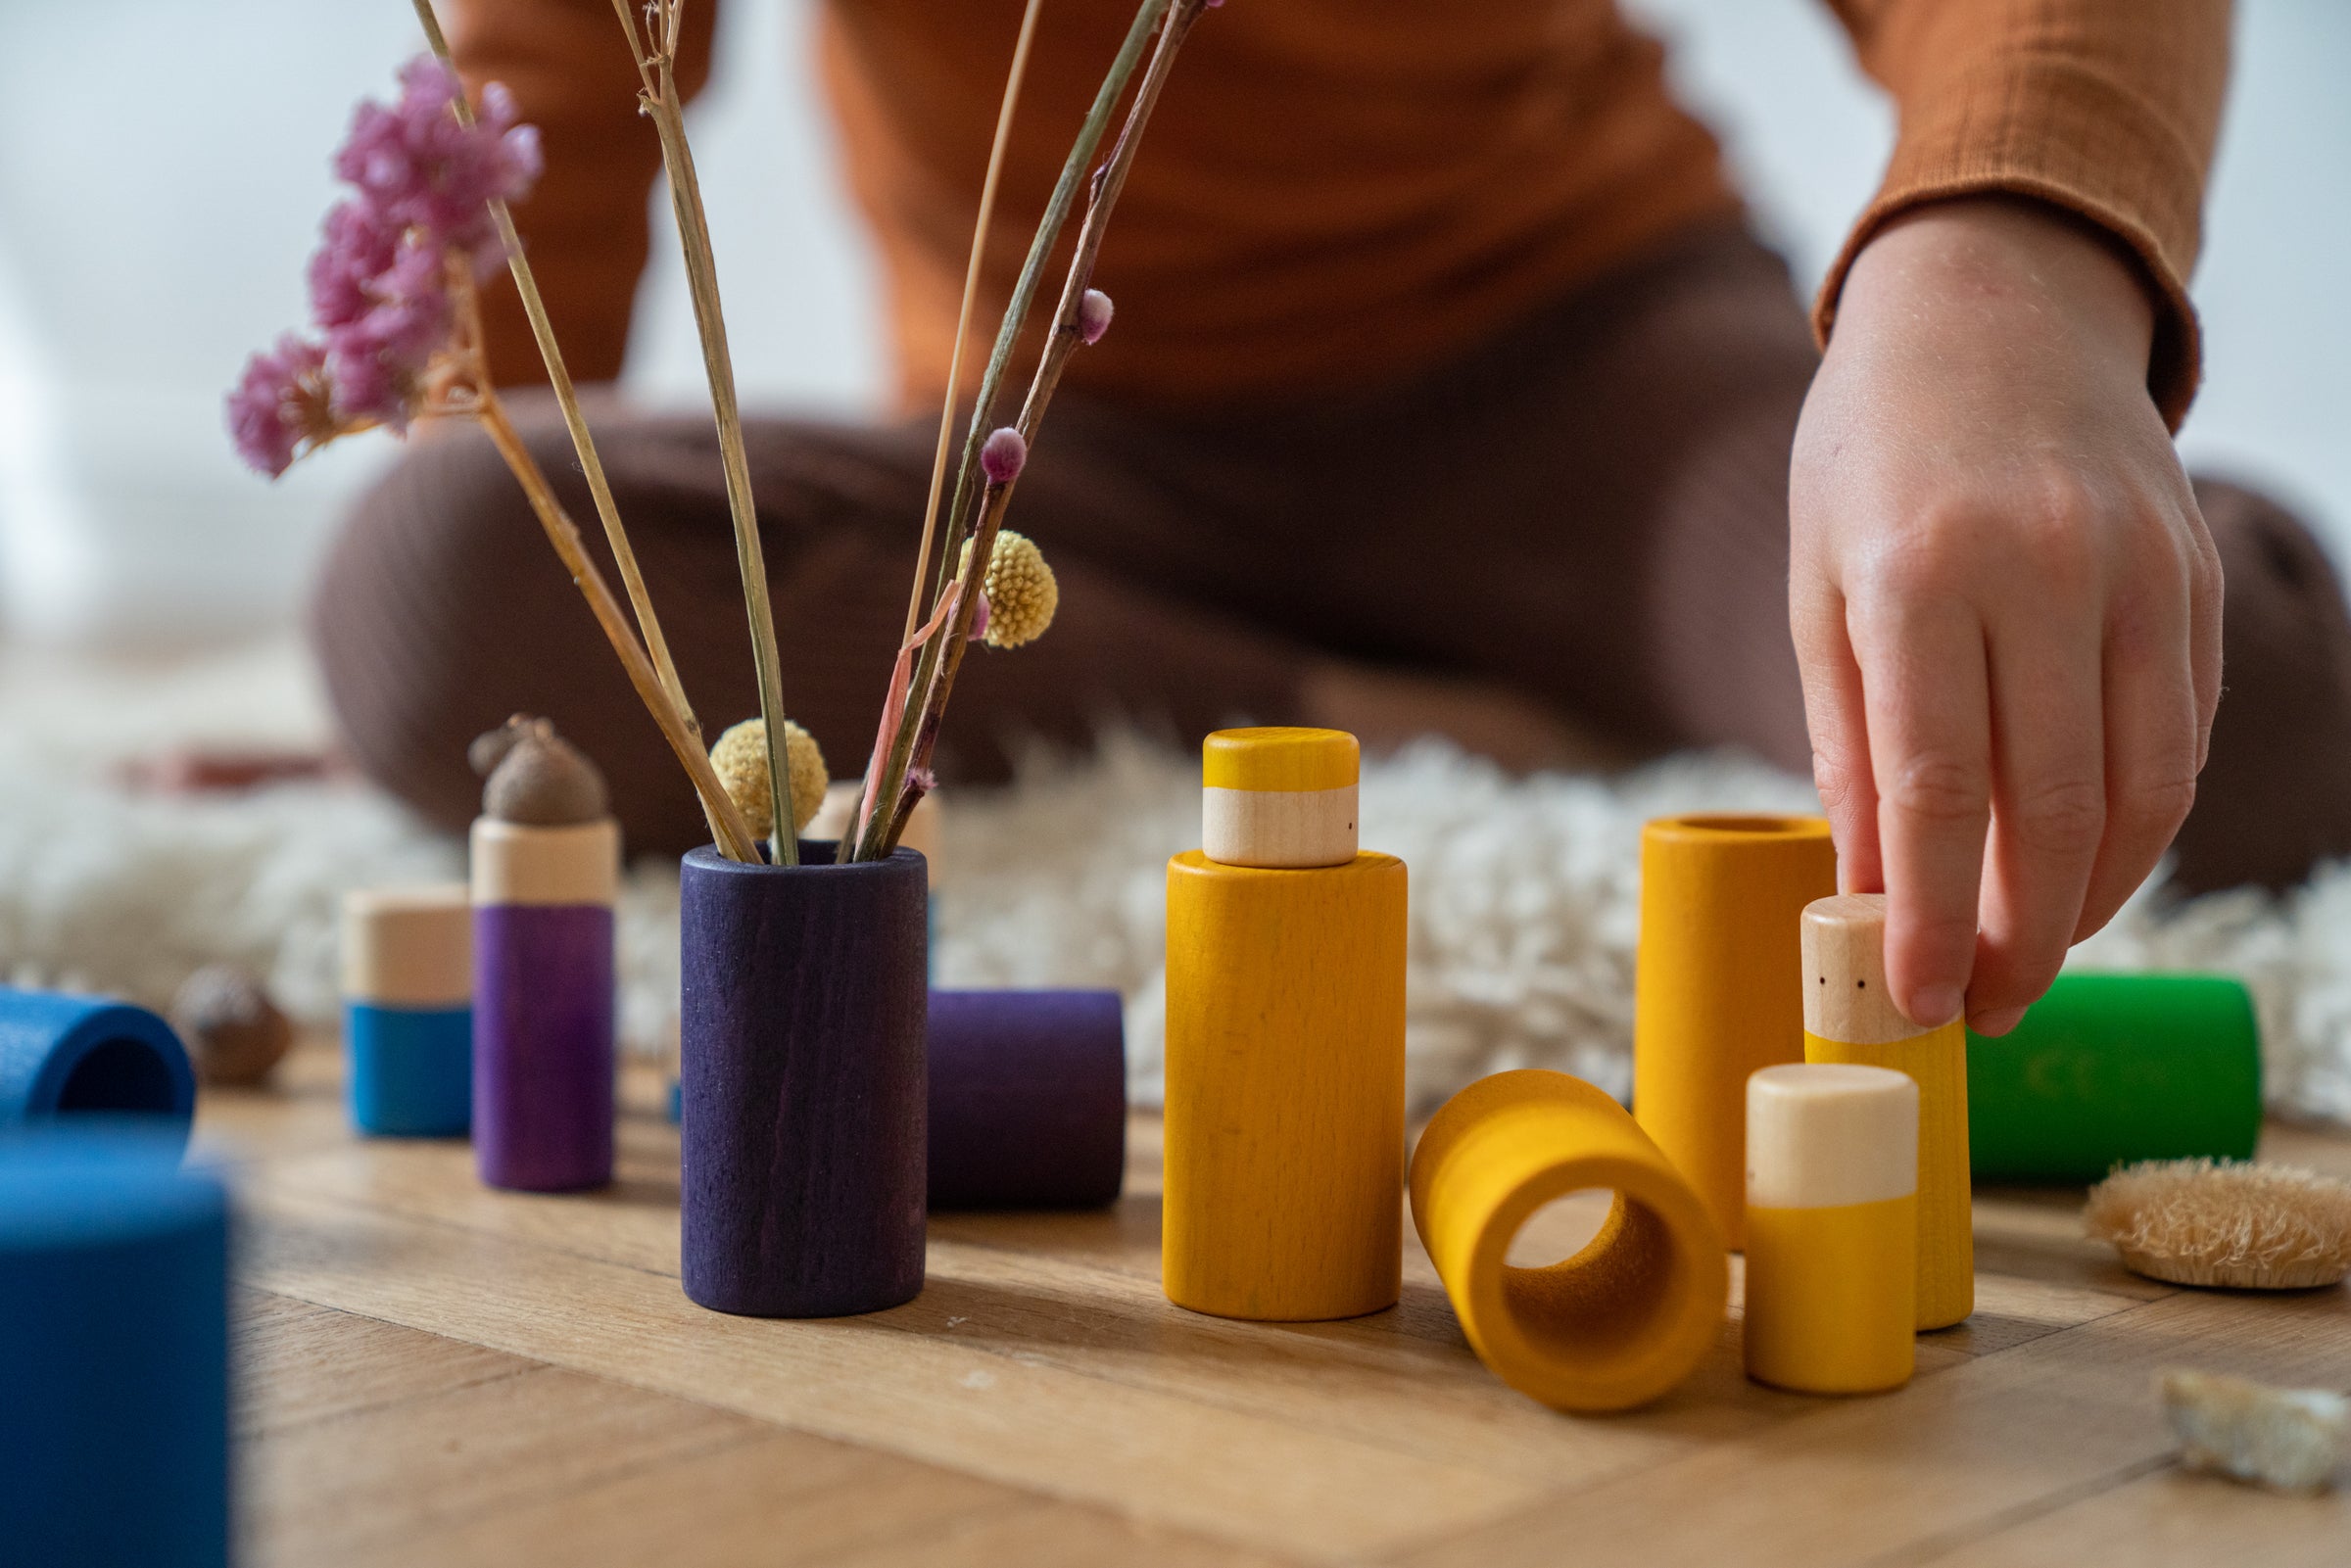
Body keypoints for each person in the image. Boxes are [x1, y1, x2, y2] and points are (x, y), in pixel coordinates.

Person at [313, 0, 2351, 1038]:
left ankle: (1497, 683)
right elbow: (541, 81)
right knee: (436, 588)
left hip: (1591, 396)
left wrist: (2001, 281)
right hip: (1040, 473)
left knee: (2215, 708)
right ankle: (1415, 717)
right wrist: (473, 464)